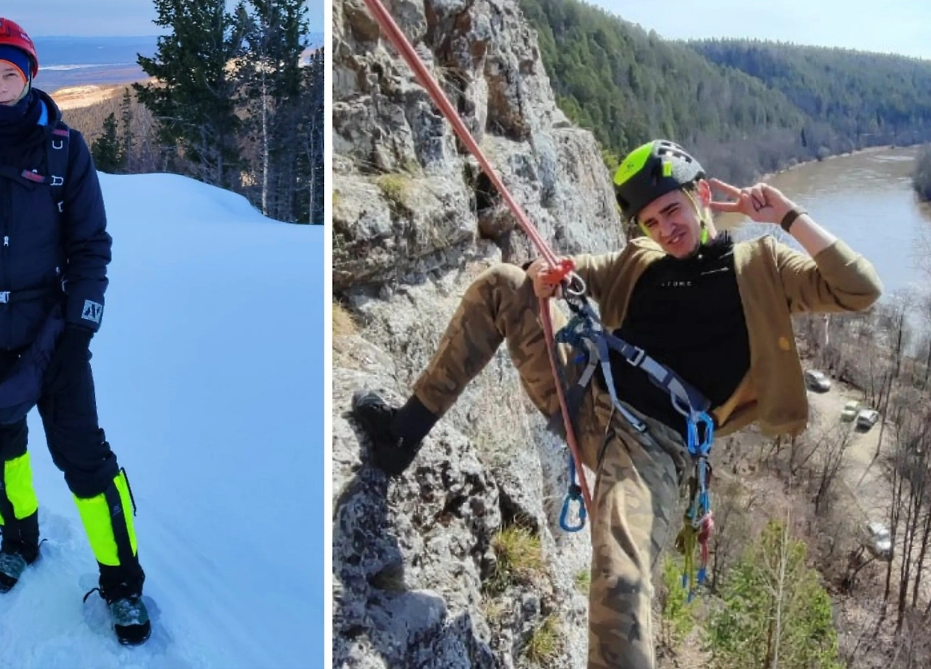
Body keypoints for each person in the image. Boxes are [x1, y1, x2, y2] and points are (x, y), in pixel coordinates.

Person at [350, 139, 882, 667]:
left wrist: (786, 214)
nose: (665, 229)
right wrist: (545, 276)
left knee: (623, 583)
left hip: (651, 450)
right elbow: (566, 270)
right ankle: (403, 432)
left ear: (701, 194)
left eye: (672, 210)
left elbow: (859, 289)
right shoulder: (640, 261)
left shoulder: (762, 266)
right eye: (651, 221)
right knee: (502, 285)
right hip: (585, 397)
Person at [0, 16, 149, 646]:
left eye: (8, 72)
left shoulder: (66, 149)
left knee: (85, 459)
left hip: (52, 333)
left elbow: (91, 246)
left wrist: (80, 329)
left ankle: (122, 581)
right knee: (2, 449)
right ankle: (20, 541)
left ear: (29, 75)